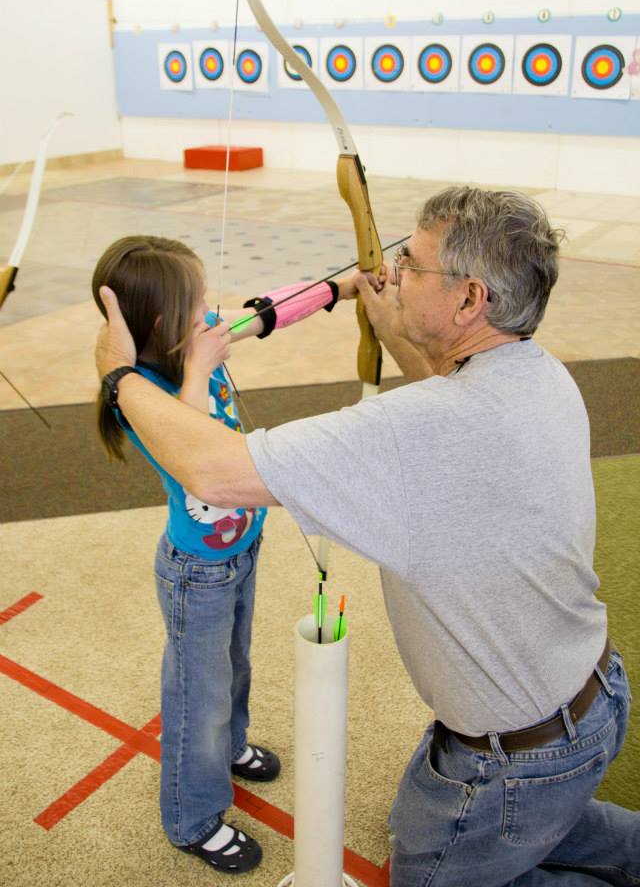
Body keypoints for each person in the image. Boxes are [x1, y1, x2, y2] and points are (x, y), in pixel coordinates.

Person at [94, 191, 639, 886]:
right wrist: (396, 332)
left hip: (518, 752)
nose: (389, 272)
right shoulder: (540, 376)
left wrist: (115, 372)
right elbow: (446, 400)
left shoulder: (417, 429)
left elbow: (212, 470)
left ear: (470, 298)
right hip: (590, 696)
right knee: (456, 825)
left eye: (410, 263)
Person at [91, 234, 374, 875]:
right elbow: (193, 453)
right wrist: (196, 369)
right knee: (200, 691)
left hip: (243, 546)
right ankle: (192, 817)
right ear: (162, 321)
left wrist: (344, 287)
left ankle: (231, 748)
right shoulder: (142, 390)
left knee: (235, 666)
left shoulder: (199, 335)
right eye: (197, 304)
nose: (211, 313)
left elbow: (271, 308)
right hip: (198, 570)